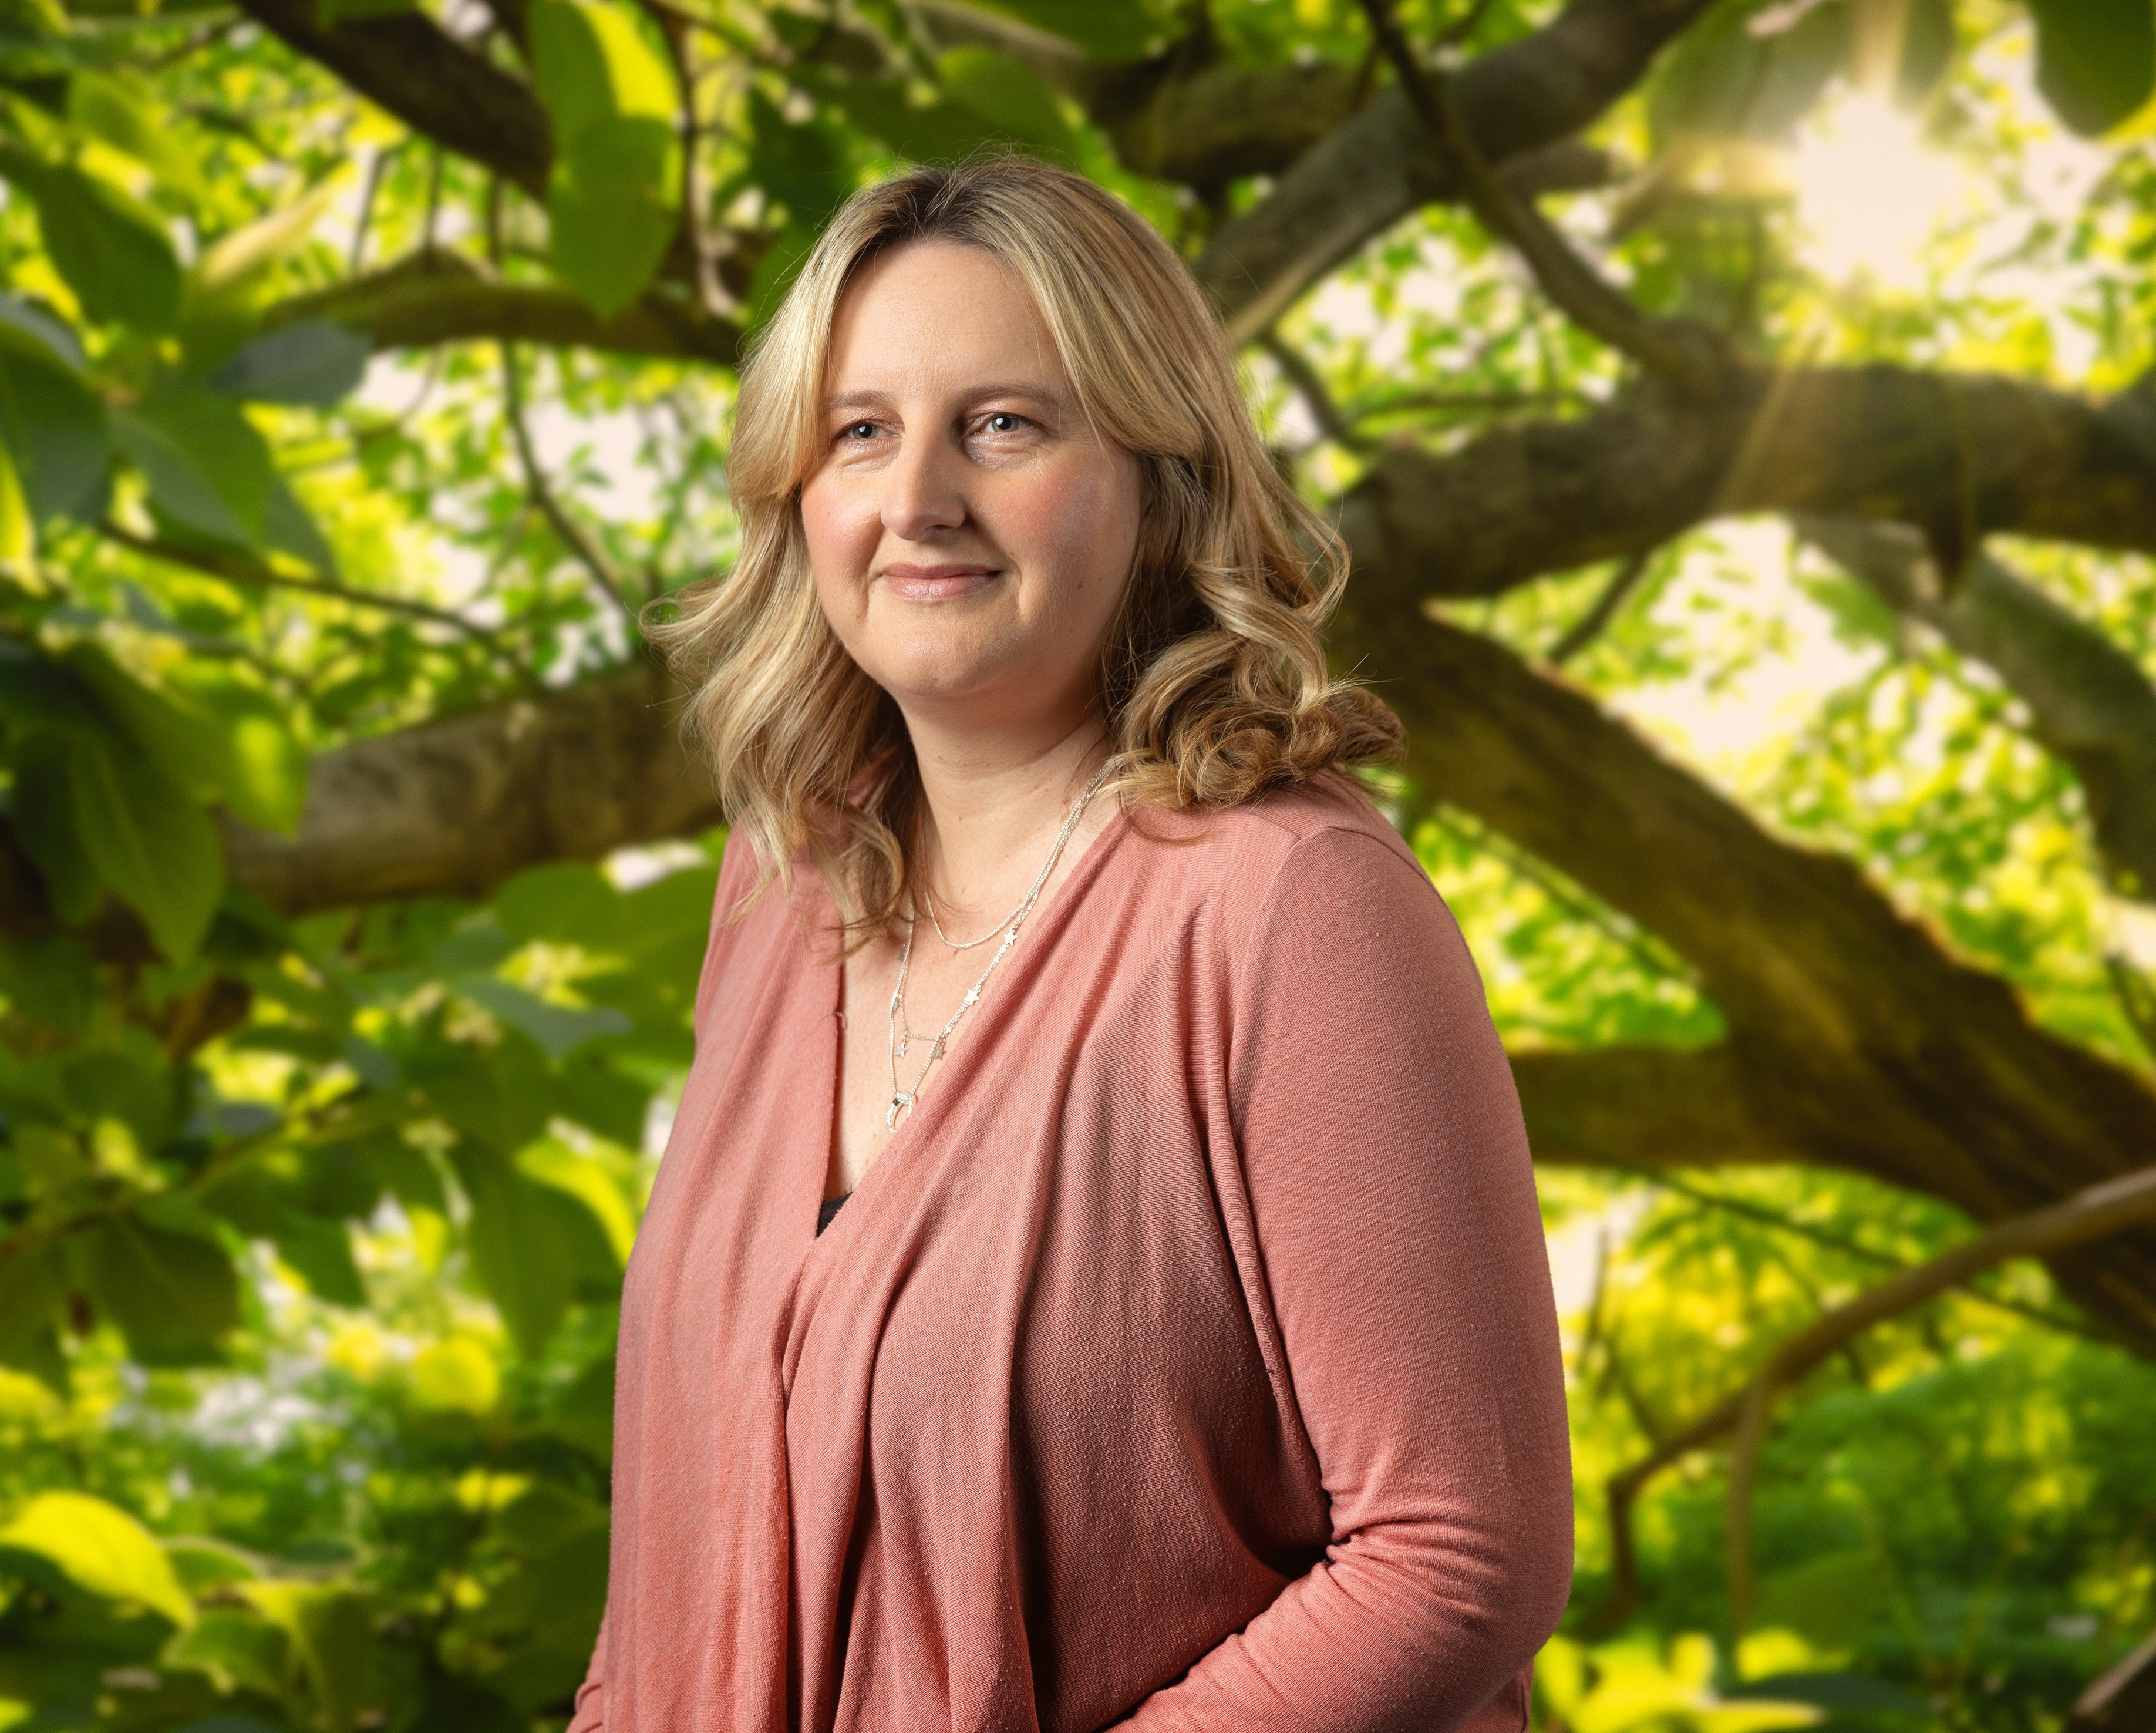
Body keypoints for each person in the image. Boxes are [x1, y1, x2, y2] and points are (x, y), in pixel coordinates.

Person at [568, 156, 1572, 1733]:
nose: (917, 501)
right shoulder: (778, 899)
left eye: (1004, 425)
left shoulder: (1290, 907)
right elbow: (664, 1584)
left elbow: (1457, 1554)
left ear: (1156, 475)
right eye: (859, 433)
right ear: (797, 497)